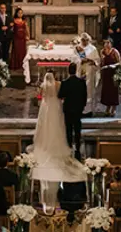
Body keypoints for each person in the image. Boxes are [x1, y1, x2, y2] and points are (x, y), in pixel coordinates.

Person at [32, 72, 88, 211]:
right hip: (56, 108)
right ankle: (66, 142)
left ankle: (47, 142)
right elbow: (60, 95)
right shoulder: (58, 84)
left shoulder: (44, 85)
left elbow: (40, 96)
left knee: (46, 125)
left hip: (46, 108)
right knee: (57, 126)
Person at [58, 63, 88, 159]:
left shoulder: (65, 82)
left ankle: (69, 146)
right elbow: (85, 96)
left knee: (69, 128)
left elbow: (60, 95)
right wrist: (82, 106)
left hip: (68, 109)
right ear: (76, 70)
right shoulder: (81, 82)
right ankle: (78, 148)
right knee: (77, 128)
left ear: (68, 71)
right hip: (78, 109)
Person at [78, 34, 101, 114]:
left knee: (89, 90)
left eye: (86, 40)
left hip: (90, 73)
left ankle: (89, 110)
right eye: (83, 40)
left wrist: (91, 61)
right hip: (80, 72)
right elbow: (73, 59)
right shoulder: (78, 48)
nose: (84, 42)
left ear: (88, 40)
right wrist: (80, 61)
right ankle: (80, 108)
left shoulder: (93, 49)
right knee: (80, 90)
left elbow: (97, 61)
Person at [100, 39, 120, 116]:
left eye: (108, 43)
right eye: (105, 43)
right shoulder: (102, 51)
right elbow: (101, 63)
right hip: (106, 73)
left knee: (113, 91)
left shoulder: (115, 51)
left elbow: (119, 62)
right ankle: (108, 107)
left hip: (113, 73)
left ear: (111, 44)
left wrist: (113, 66)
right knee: (107, 91)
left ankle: (114, 108)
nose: (107, 44)